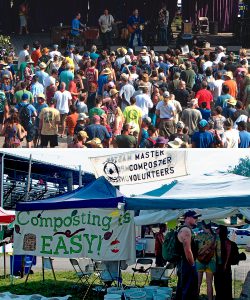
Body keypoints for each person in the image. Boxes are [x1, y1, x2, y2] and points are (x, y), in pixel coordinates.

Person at [176, 210, 201, 300]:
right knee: (187, 291)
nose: (197, 219)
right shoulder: (186, 230)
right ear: (187, 218)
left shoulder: (186, 229)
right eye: (195, 217)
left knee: (183, 289)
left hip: (184, 265)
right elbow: (187, 250)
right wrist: (193, 265)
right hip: (186, 265)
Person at [196, 221, 221, 300]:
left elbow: (194, 248)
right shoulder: (216, 237)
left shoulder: (199, 235)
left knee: (198, 283)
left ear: (203, 226)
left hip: (199, 261)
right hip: (211, 262)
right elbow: (219, 251)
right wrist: (219, 262)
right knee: (209, 283)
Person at [214, 225, 238, 300]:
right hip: (226, 269)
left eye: (217, 231)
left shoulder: (215, 243)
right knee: (227, 287)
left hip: (218, 268)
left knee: (218, 287)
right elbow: (235, 260)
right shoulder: (232, 244)